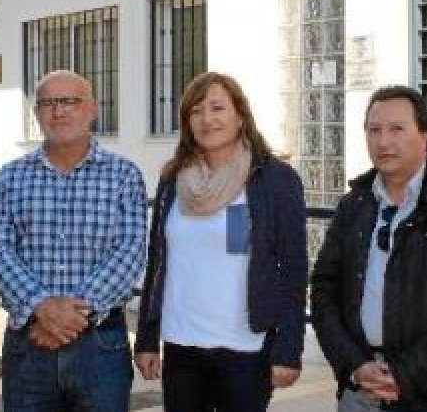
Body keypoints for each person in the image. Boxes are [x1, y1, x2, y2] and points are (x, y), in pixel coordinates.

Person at [311, 85, 427, 412]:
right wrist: (353, 364)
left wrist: (405, 375)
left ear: (424, 135)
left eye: (397, 129)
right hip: (361, 388)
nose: (384, 142)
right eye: (374, 130)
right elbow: (324, 289)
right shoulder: (353, 205)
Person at [132, 72, 308, 411]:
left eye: (217, 108)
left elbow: (293, 271)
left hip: (245, 349)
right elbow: (158, 263)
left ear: (240, 116)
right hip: (182, 345)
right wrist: (147, 338)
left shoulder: (273, 180)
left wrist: (288, 350)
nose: (207, 119)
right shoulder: (174, 180)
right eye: (195, 111)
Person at [0, 70, 148, 412]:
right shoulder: (10, 177)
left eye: (69, 101)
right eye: (48, 103)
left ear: (92, 109)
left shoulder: (124, 176)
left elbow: (130, 251)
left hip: (100, 344)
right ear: (37, 113)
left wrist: (74, 315)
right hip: (29, 343)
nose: (58, 112)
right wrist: (41, 308)